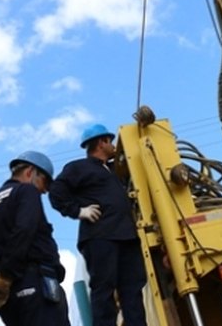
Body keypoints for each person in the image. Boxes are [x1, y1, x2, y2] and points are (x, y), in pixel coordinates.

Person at [49, 124, 147, 326]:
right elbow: (56, 192)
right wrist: (78, 211)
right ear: (101, 143)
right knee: (104, 290)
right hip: (101, 238)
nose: (113, 145)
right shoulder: (79, 168)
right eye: (110, 141)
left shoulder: (112, 170)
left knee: (133, 290)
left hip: (127, 237)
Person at [0, 151, 69, 326]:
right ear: (30, 172)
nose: (44, 190)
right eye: (45, 182)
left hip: (4, 297)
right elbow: (24, 230)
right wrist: (6, 276)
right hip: (33, 282)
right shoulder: (26, 191)